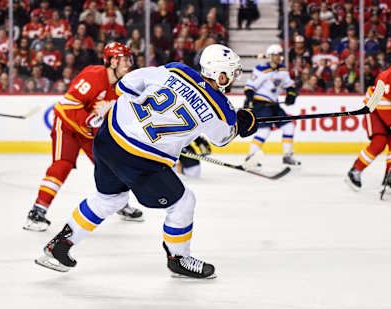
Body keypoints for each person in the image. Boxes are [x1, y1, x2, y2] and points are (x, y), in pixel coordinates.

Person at [35, 44, 258, 279]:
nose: (234, 78)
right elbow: (224, 137)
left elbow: (125, 85)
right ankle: (179, 258)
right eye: (232, 73)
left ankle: (59, 246)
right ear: (220, 75)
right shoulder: (220, 109)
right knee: (183, 203)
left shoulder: (176, 70)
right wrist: (243, 123)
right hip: (140, 160)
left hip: (107, 139)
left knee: (108, 199)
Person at [24, 42, 144, 232]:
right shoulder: (93, 76)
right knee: (62, 165)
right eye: (125, 60)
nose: (129, 64)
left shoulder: (124, 85)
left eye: (129, 60)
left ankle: (119, 204)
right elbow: (66, 106)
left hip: (89, 133)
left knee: (113, 166)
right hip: (68, 126)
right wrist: (88, 120)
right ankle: (37, 211)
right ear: (112, 61)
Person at [346, 49, 391, 193]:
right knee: (379, 142)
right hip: (374, 109)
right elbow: (381, 104)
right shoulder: (385, 77)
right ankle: (355, 171)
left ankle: (390, 176)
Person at [243, 44, 301, 167]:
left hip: (274, 104)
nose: (278, 57)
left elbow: (290, 85)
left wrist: (291, 95)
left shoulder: (283, 70)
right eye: (275, 55)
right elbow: (250, 86)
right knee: (264, 130)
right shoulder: (261, 69)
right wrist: (248, 99)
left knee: (289, 126)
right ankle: (250, 156)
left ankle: (287, 155)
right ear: (270, 56)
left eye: (279, 55)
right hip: (261, 104)